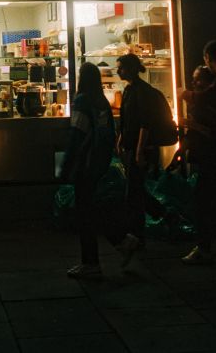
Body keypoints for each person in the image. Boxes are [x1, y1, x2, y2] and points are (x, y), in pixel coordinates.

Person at [60, 62, 116, 278]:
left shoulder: (82, 101)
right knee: (93, 208)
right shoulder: (102, 100)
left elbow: (77, 134)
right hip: (99, 161)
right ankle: (122, 240)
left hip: (85, 162)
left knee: (85, 213)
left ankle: (91, 262)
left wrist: (67, 165)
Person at [117, 52, 173, 250]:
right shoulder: (129, 90)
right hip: (132, 147)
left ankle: (136, 235)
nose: (118, 71)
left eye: (121, 68)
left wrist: (140, 151)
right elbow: (127, 120)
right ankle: (165, 215)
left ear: (131, 69)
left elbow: (144, 123)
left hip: (142, 148)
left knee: (133, 192)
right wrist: (120, 140)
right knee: (136, 190)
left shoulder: (142, 92)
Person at [178, 41, 216, 265]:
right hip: (210, 155)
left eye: (197, 81)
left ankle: (204, 248)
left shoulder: (213, 92)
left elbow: (212, 129)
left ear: (208, 57)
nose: (195, 84)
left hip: (213, 155)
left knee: (203, 199)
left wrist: (184, 94)